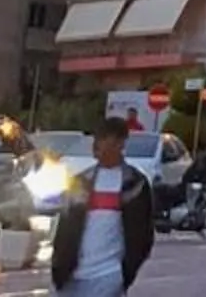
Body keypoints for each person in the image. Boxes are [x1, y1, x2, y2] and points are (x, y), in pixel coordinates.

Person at [50, 116, 156, 297]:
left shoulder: (134, 184)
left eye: (104, 139)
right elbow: (64, 229)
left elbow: (143, 236)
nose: (96, 145)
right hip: (71, 277)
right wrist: (59, 265)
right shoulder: (81, 181)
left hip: (109, 277)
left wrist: (125, 274)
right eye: (96, 139)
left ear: (120, 144)